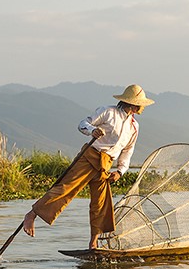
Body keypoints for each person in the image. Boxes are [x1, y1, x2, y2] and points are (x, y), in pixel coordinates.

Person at [22, 84, 155, 249]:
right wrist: (93, 130)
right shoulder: (108, 111)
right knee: (65, 189)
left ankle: (93, 243)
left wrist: (120, 171)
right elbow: (83, 124)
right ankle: (32, 214)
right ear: (131, 103)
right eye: (139, 103)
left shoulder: (134, 126)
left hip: (105, 165)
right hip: (90, 156)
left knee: (100, 204)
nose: (141, 107)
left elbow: (128, 151)